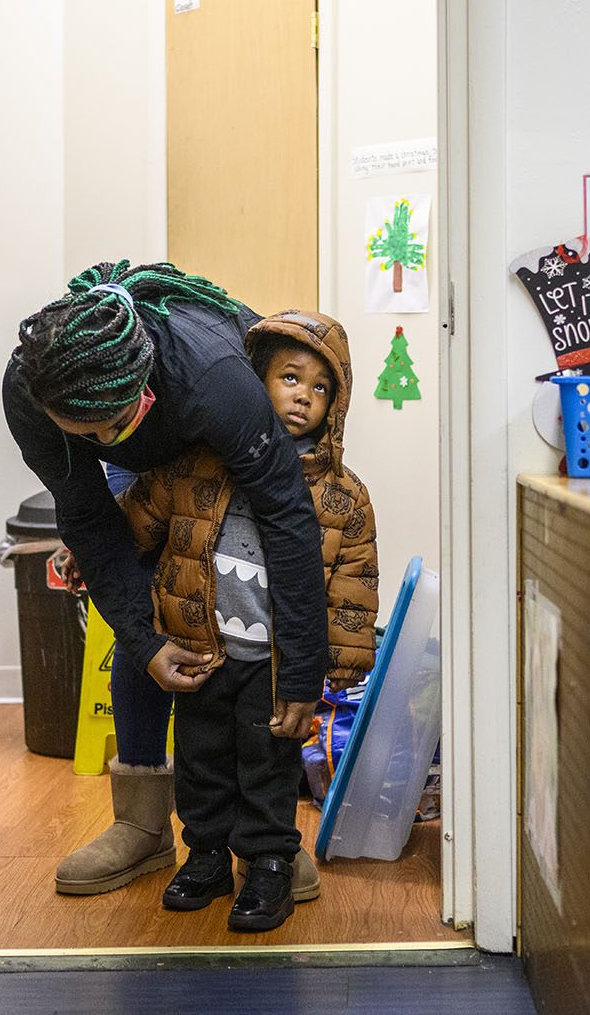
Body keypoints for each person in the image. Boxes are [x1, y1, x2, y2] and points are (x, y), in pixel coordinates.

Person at [3, 262, 329, 898]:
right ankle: (144, 826)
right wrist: (146, 641)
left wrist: (303, 669)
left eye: (108, 424)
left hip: (222, 434)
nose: (98, 439)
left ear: (142, 385)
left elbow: (290, 518)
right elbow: (90, 520)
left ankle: (264, 840)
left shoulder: (218, 381)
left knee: (249, 611)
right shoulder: (32, 392)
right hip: (144, 454)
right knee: (149, 609)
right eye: (84, 432)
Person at [120, 310, 378, 931]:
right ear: (255, 381)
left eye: (321, 389)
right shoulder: (198, 461)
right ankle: (205, 854)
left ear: (334, 406)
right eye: (290, 378)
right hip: (200, 650)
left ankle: (267, 865)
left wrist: (332, 670)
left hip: (275, 667)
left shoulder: (344, 495)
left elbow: (353, 587)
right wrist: (95, 547)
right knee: (203, 758)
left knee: (268, 767)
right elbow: (147, 514)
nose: (303, 397)